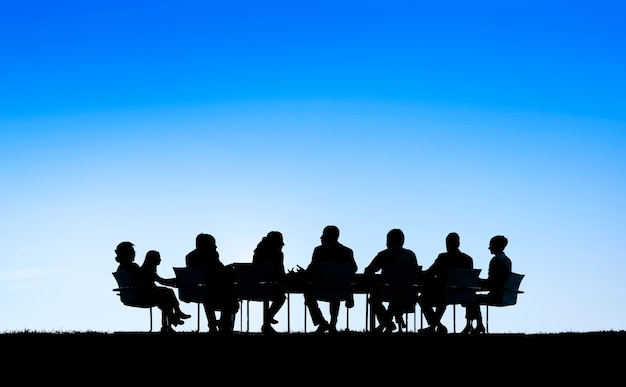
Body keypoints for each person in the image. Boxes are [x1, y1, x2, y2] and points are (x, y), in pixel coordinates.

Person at [114, 242, 190, 333]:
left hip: (136, 295)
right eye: (132, 252)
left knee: (166, 296)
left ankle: (171, 320)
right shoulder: (132, 267)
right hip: (140, 296)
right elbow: (143, 280)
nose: (134, 254)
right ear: (127, 254)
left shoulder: (122, 268)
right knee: (167, 294)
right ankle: (173, 318)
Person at [304, 225, 358, 334]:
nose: (321, 238)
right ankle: (333, 323)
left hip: (319, 289)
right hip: (342, 290)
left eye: (323, 235)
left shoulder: (319, 251)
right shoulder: (347, 252)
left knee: (307, 292)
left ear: (326, 237)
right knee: (335, 291)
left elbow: (311, 270)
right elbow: (354, 269)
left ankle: (321, 322)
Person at [364, 228, 419, 334]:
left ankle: (387, 323)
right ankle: (387, 323)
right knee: (395, 299)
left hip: (388, 292)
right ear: (402, 241)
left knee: (374, 300)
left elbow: (369, 271)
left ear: (388, 241)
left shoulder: (384, 255)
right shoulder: (410, 255)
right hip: (409, 293)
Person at [418, 232, 474, 335]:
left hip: (443, 294)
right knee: (441, 297)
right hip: (463, 295)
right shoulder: (467, 260)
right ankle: (436, 325)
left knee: (422, 299)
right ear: (458, 244)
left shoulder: (443, 258)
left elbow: (430, 273)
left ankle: (436, 325)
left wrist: (419, 273)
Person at [185, 233, 239, 334]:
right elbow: (218, 271)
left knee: (216, 294)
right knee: (230, 294)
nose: (216, 246)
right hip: (215, 291)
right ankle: (225, 326)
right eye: (213, 244)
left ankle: (215, 325)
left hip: (200, 291)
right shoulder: (211, 255)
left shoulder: (190, 257)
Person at [462, 235, 512, 334]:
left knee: (470, 298)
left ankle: (472, 325)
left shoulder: (496, 261)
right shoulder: (507, 260)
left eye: (491, 245)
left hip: (496, 295)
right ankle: (478, 325)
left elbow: (492, 283)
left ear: (496, 246)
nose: (489, 247)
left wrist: (477, 281)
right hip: (504, 295)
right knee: (472, 298)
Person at [252, 231, 287, 334]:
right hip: (270, 289)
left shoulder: (258, 253)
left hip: (255, 288)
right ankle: (267, 320)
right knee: (281, 297)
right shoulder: (278, 254)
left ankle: (267, 322)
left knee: (278, 294)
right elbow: (280, 272)